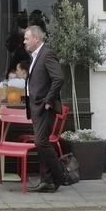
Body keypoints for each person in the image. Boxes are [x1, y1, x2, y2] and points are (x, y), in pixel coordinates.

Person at [24, 24, 68, 193]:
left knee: (41, 142)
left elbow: (59, 78)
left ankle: (61, 175)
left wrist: (49, 100)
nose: (24, 41)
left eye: (27, 38)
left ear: (36, 38)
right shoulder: (36, 55)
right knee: (41, 143)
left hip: (43, 107)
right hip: (36, 107)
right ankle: (47, 181)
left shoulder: (47, 54)